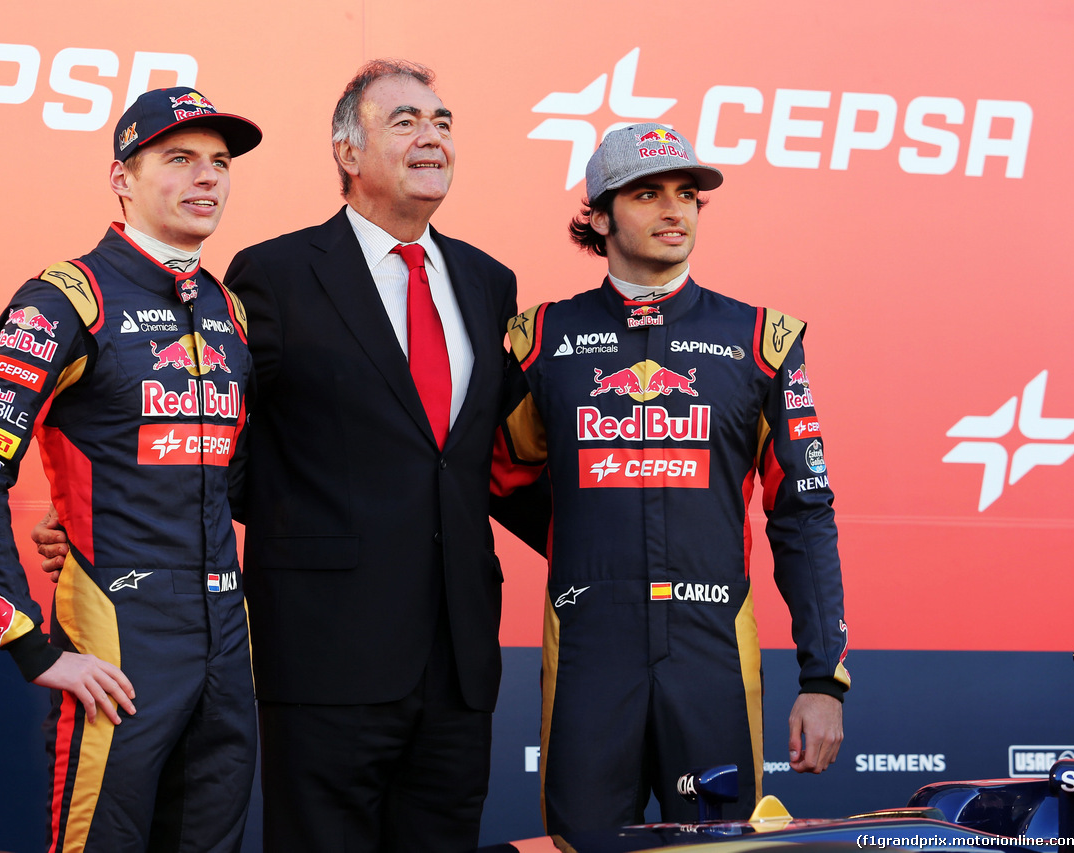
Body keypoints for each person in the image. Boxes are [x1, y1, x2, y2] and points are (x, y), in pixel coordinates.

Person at [492, 123, 850, 834]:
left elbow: (803, 513)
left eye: (687, 194)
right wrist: (589, 554)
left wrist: (822, 679)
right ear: (596, 214)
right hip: (591, 646)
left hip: (711, 646)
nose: (674, 210)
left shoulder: (763, 340)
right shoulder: (540, 341)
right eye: (647, 193)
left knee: (720, 847)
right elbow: (501, 475)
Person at [0, 87, 262, 852]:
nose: (206, 178)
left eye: (218, 163)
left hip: (225, 640)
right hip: (118, 640)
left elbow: (227, 478)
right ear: (122, 176)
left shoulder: (228, 310)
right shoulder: (63, 298)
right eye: (179, 159)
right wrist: (28, 642)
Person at [222, 59, 521, 853]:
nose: (433, 136)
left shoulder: (490, 283)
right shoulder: (275, 274)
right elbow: (225, 446)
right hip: (325, 652)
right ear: (347, 153)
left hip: (458, 664)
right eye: (406, 121)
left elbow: (484, 459)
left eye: (443, 122)